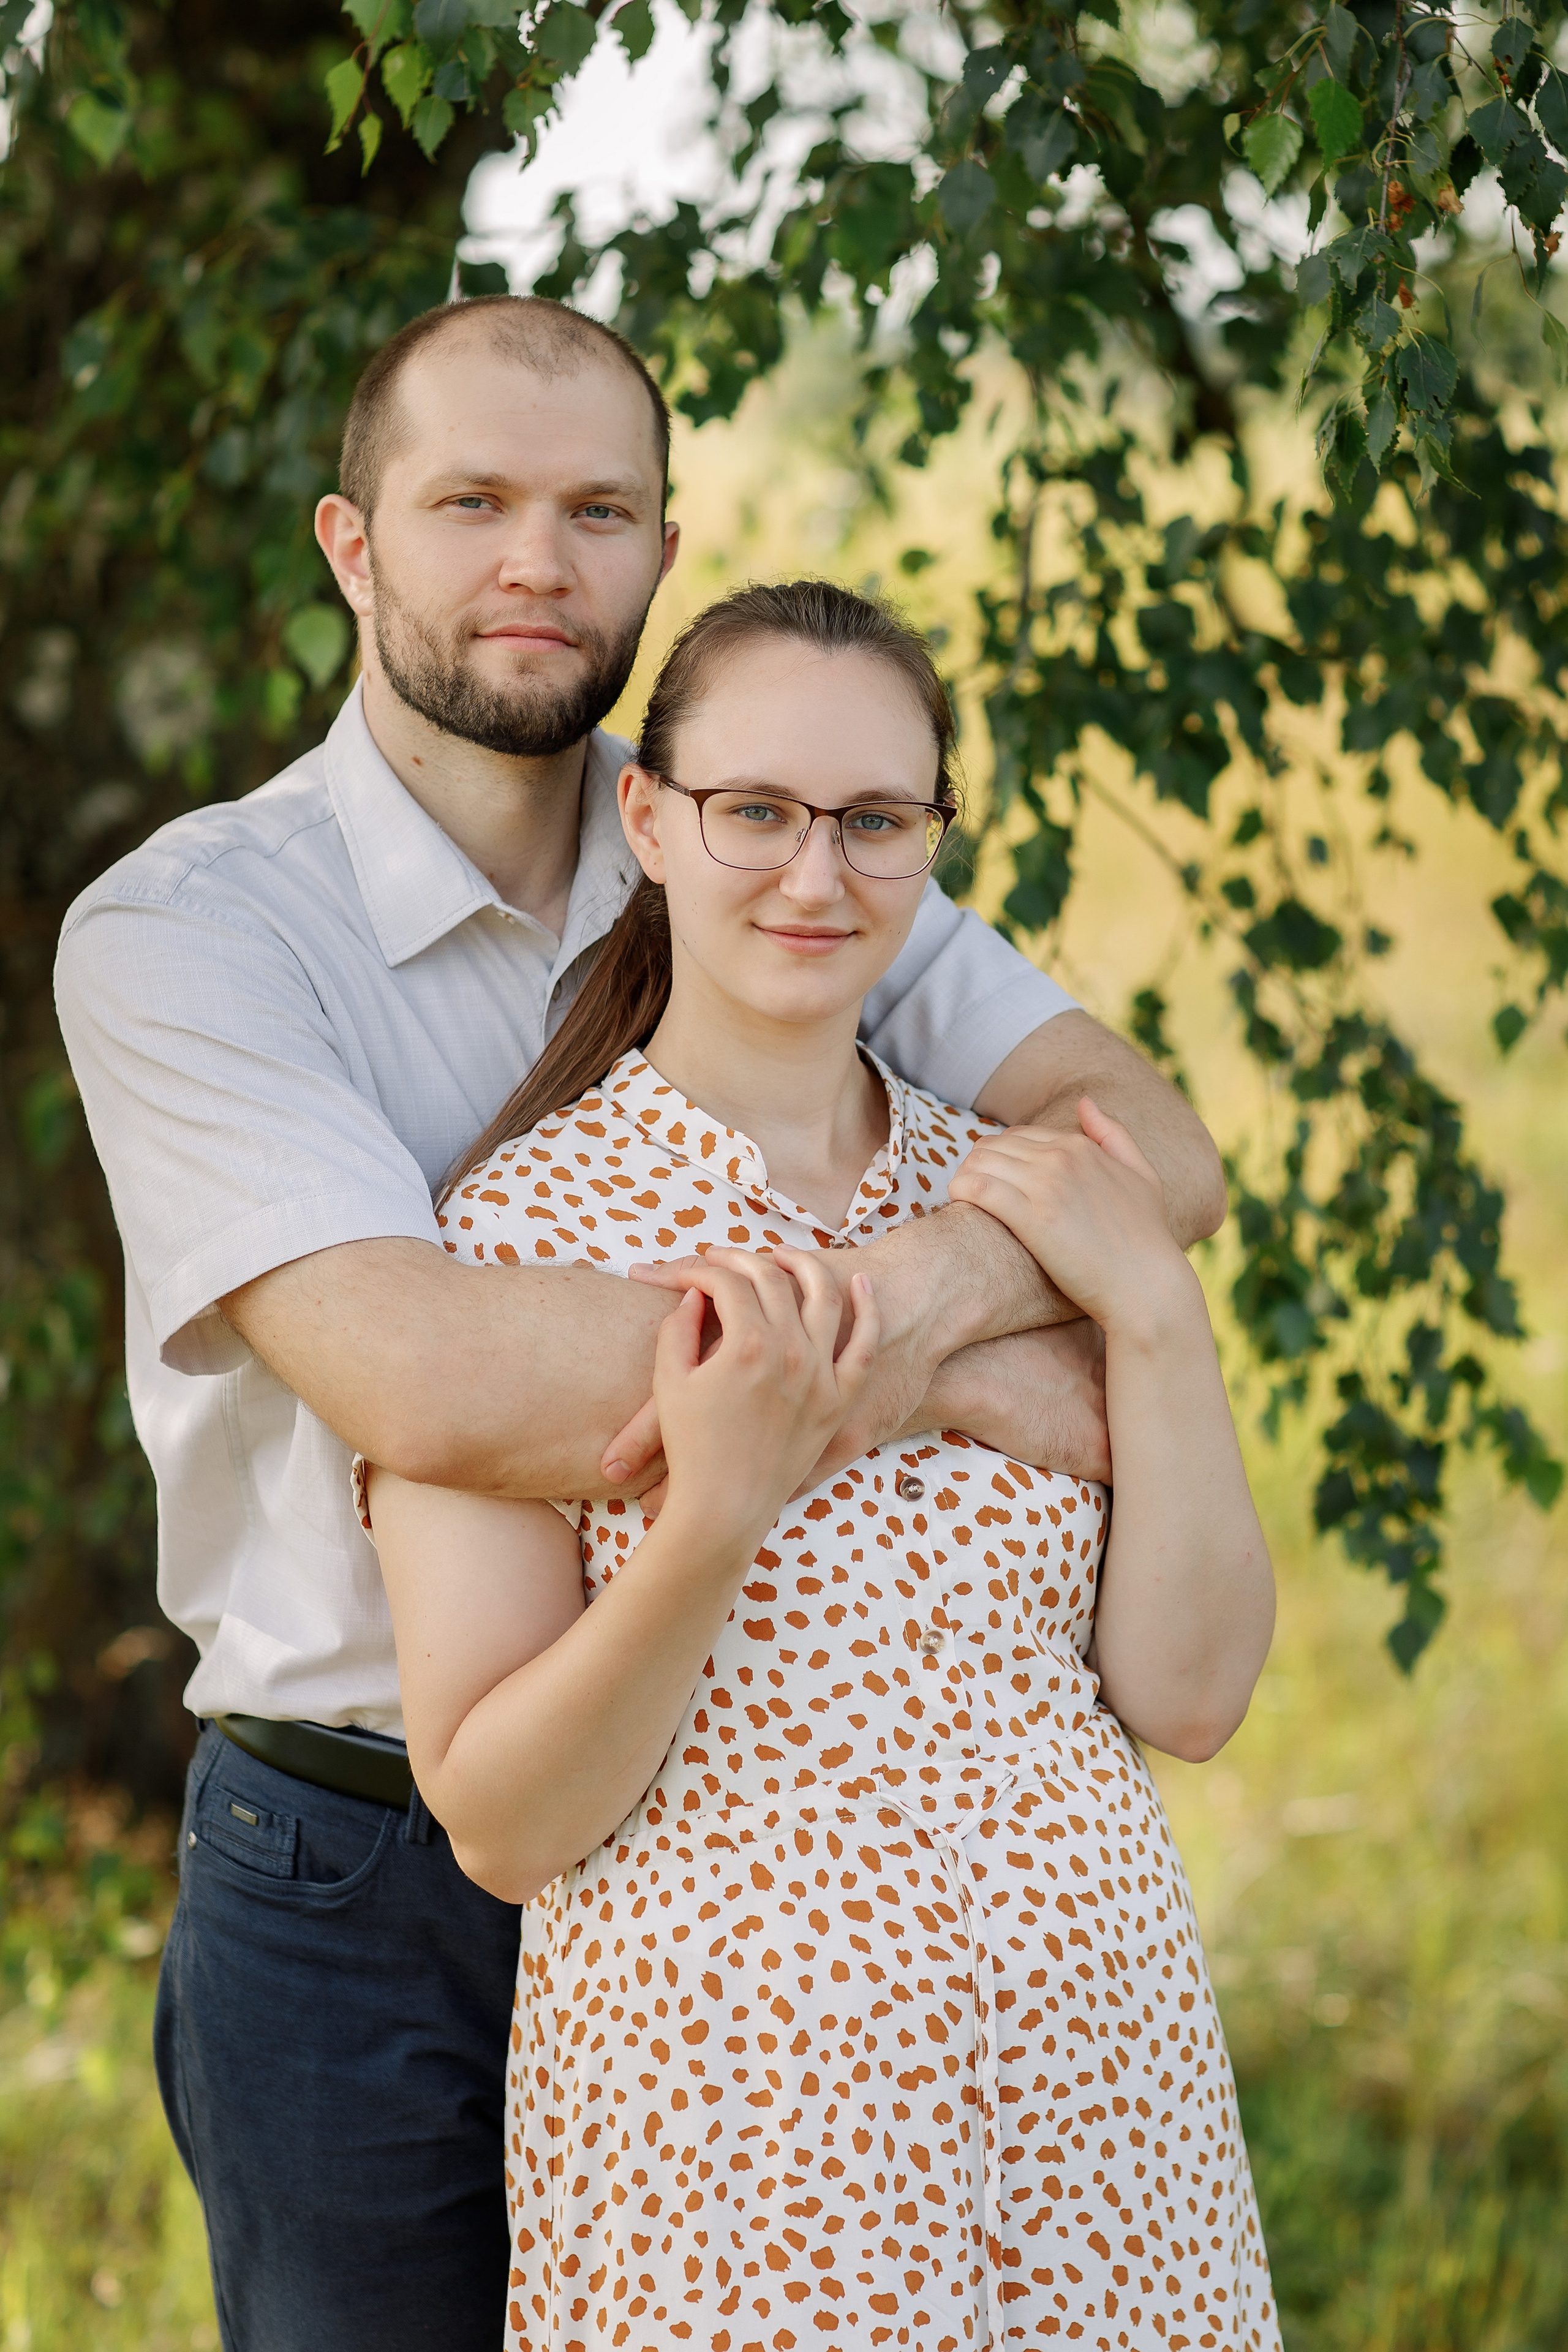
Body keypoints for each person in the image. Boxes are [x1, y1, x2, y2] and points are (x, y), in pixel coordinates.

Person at [54, 296, 1228, 2350]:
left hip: (766, 1853)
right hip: (371, 1869)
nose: (540, 561)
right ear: (350, 543)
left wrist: (931, 1281)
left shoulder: (755, 832)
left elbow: (1152, 1154)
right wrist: (1029, 1370)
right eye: (474, 503)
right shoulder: (196, 927)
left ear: (663, 551)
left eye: (600, 509)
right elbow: (422, 1375)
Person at [364, 578, 1279, 2352]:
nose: (815, 876)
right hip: (744, 2137)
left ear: (935, 838)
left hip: (1100, 2092)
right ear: (648, 818)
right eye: (756, 812)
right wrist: (714, 1512)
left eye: (877, 822)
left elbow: (1191, 1692)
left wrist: (1152, 1316)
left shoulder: (1028, 1202)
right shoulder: (515, 1233)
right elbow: (501, 1819)